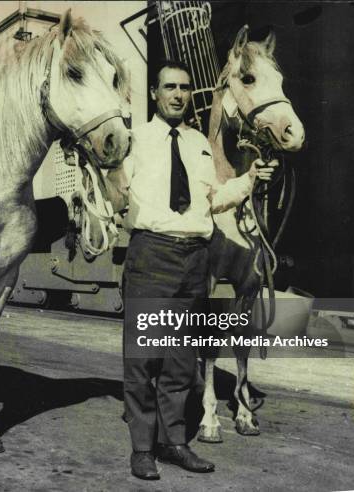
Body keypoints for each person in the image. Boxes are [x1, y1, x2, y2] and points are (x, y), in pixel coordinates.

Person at [105, 60, 277, 480]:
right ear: (155, 93)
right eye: (169, 87)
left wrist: (251, 178)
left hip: (195, 257)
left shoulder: (200, 142)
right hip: (152, 254)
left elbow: (214, 199)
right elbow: (113, 191)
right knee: (144, 358)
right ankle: (143, 448)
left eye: (184, 87)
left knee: (182, 361)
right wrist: (106, 175)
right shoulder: (134, 140)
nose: (178, 94)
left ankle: (175, 442)